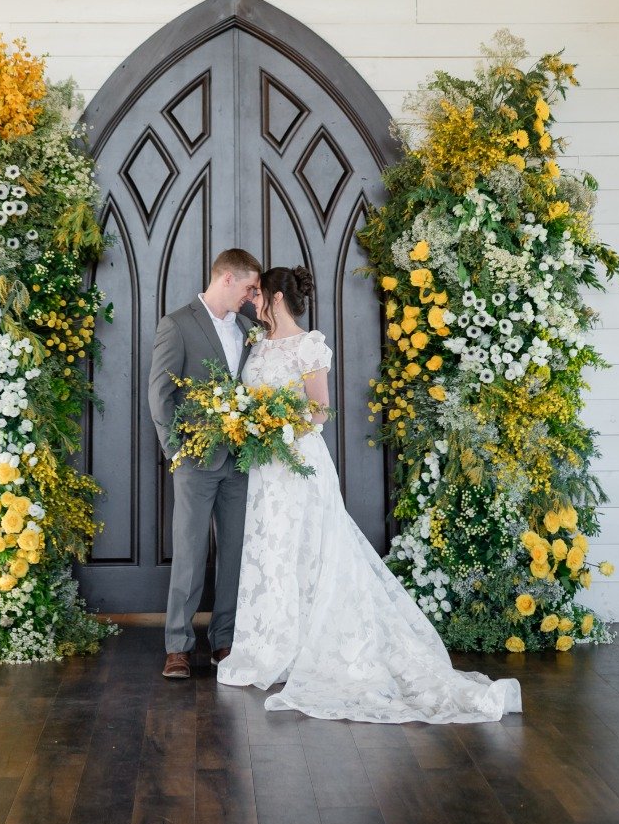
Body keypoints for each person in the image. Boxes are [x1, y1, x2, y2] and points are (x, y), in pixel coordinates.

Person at [217, 264, 522, 725]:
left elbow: (318, 412)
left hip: (299, 464)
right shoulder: (255, 343)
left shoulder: (309, 346)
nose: (252, 301)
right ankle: (272, 645)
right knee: (274, 552)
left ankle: (317, 648)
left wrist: (275, 428)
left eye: (258, 294)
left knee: (314, 551)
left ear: (277, 298)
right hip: (265, 472)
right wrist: (251, 427)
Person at [147, 246, 262, 679]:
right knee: (191, 552)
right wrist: (175, 451)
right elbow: (160, 394)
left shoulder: (249, 329)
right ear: (227, 278)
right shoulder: (177, 324)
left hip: (241, 460)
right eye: (249, 287)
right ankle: (177, 645)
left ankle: (224, 640)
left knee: (235, 552)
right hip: (195, 459)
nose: (253, 297)